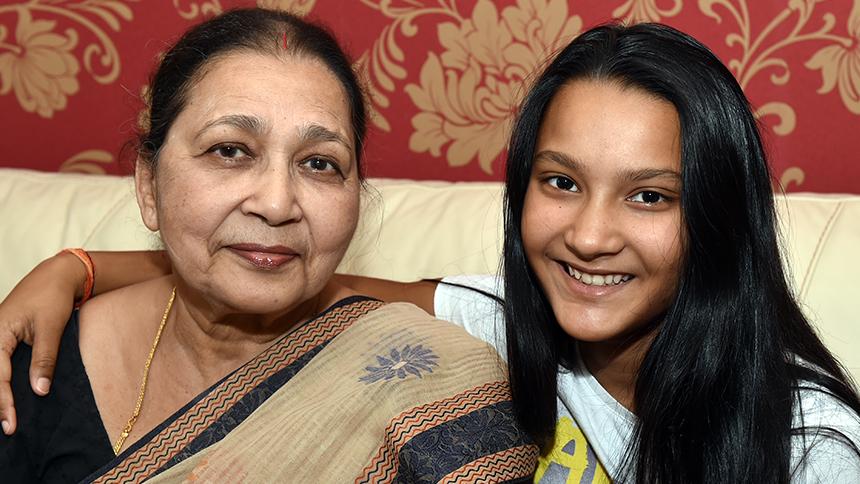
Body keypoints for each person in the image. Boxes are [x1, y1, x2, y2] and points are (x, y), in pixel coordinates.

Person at [2, 22, 860, 483]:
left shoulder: (810, 442)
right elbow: (290, 273)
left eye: (650, 196)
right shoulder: (497, 319)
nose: (591, 235)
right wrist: (72, 267)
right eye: (560, 182)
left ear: (715, 215)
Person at [0, 8, 538, 483]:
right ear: (148, 186)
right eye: (230, 150)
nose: (278, 203)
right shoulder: (34, 359)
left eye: (319, 163)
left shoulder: (432, 380)